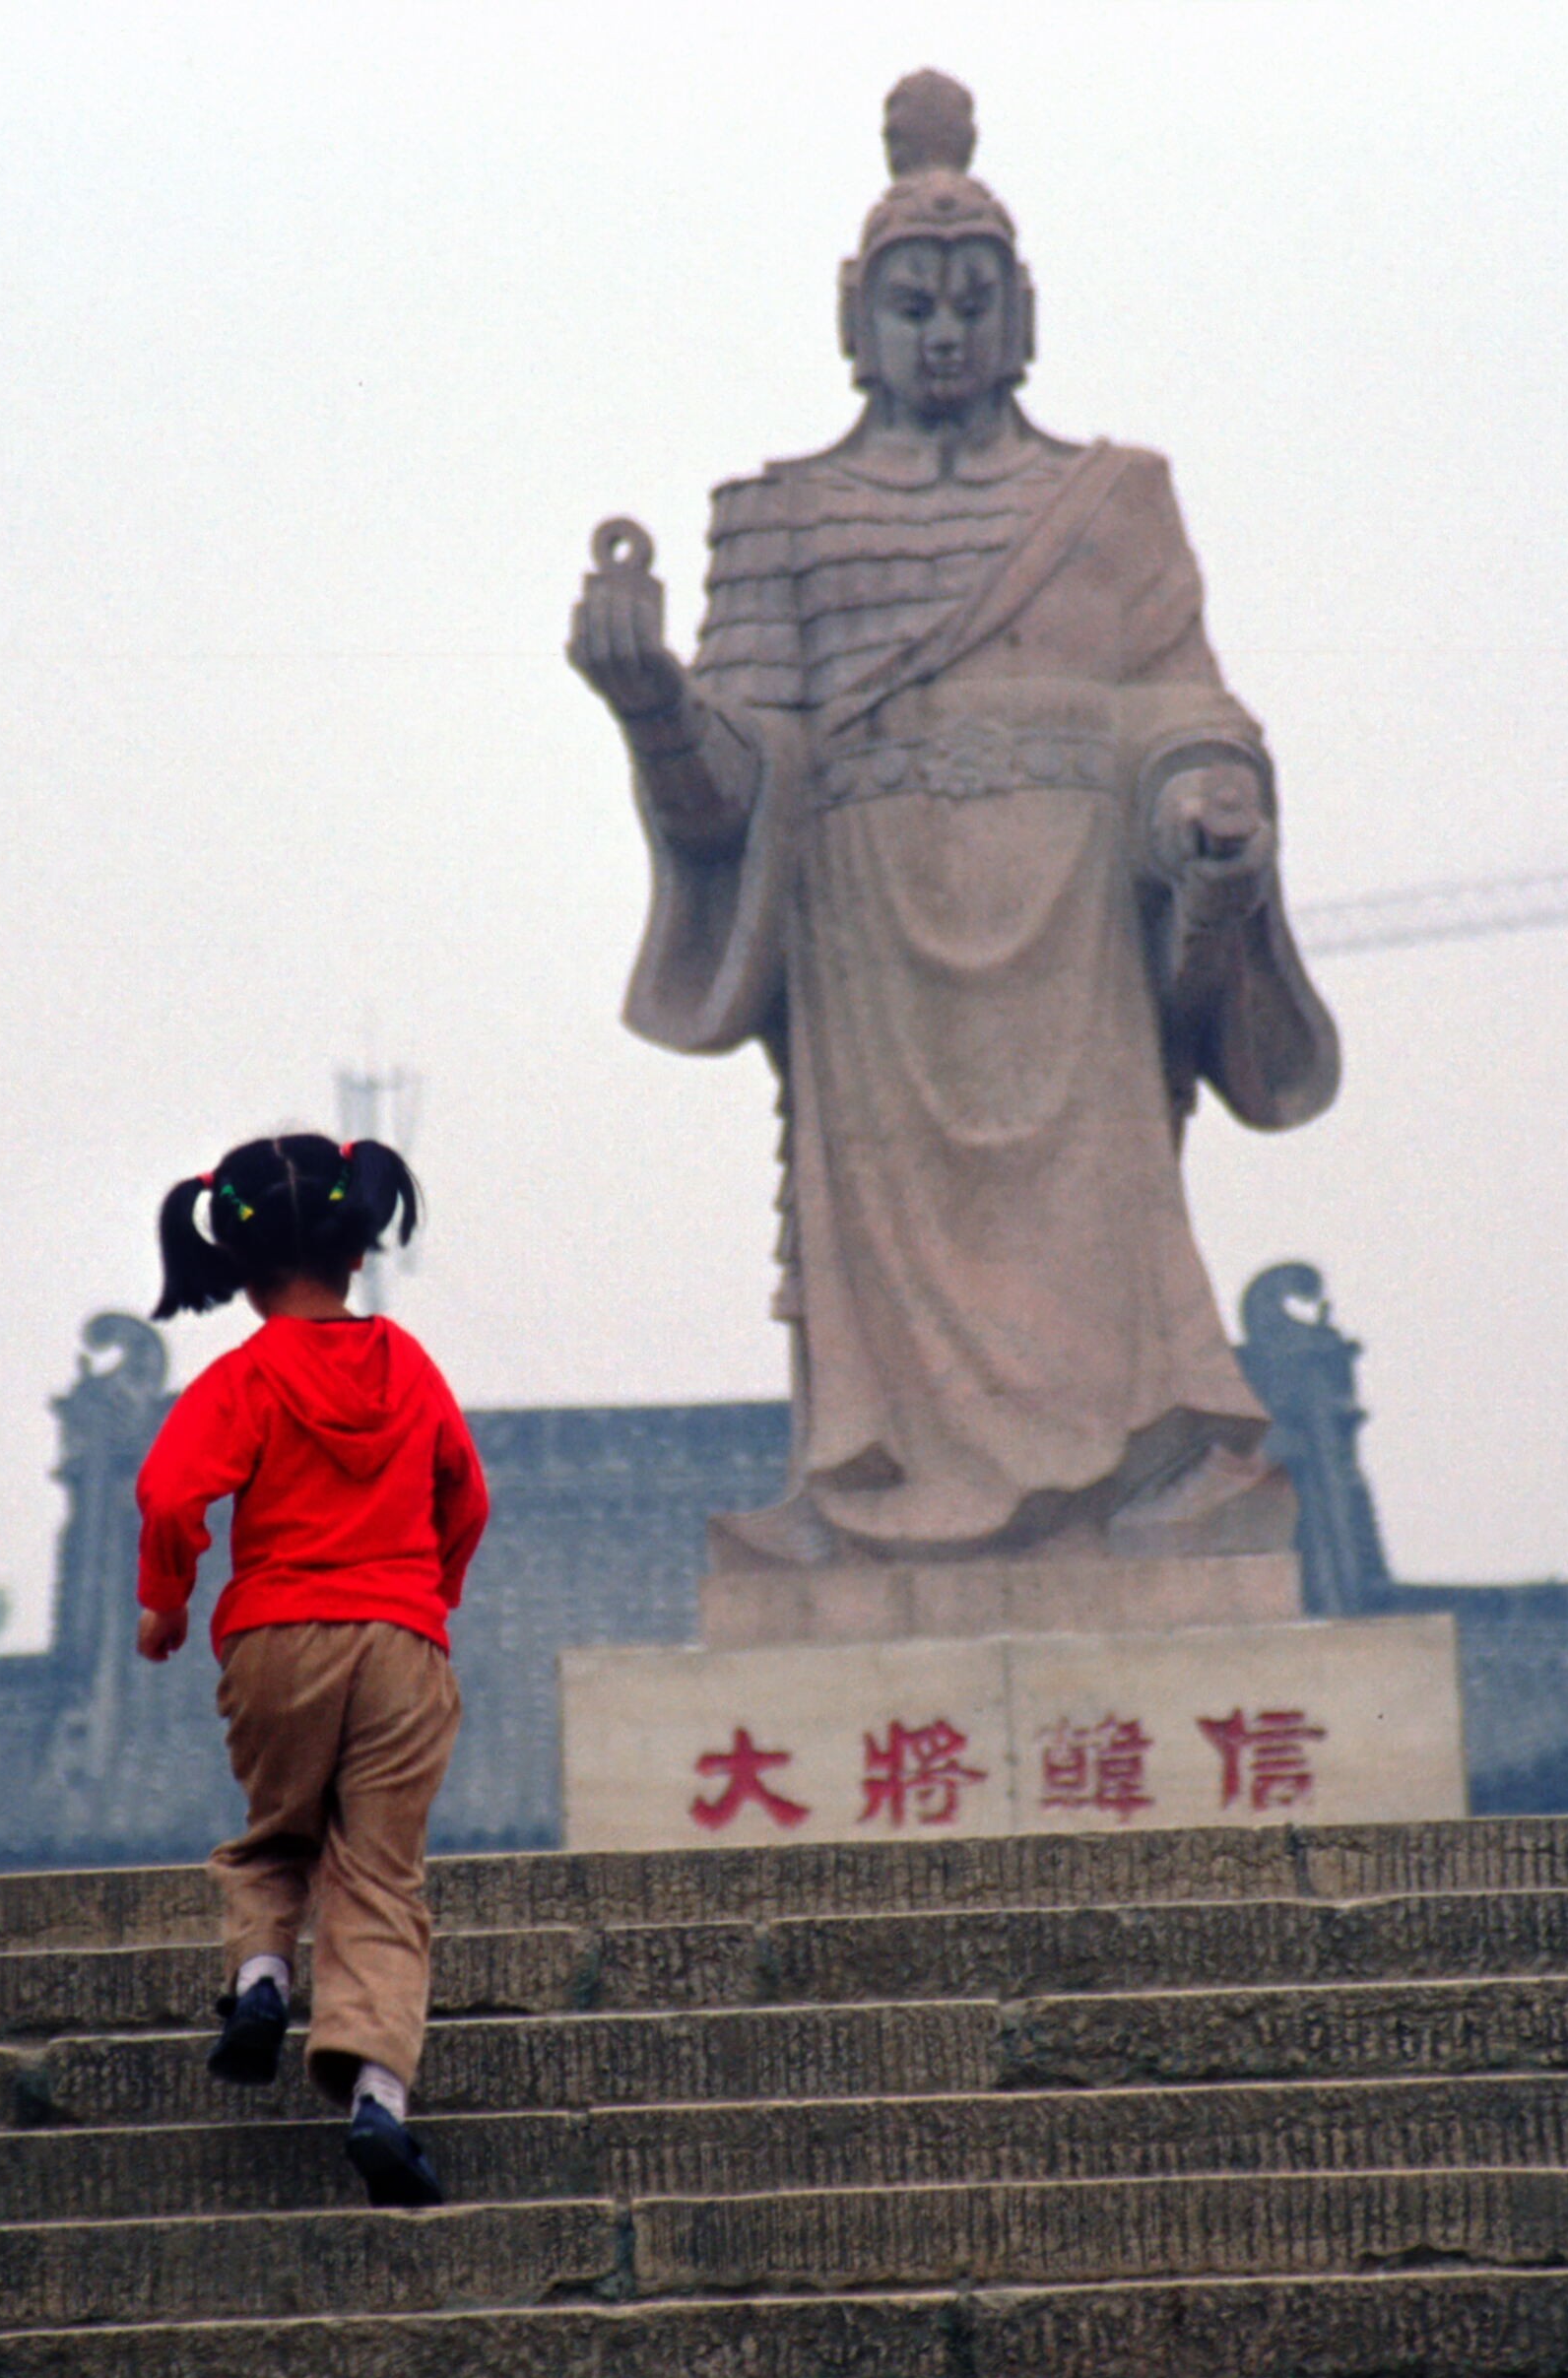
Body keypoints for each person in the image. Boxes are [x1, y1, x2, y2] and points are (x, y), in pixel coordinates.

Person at [567, 70, 1339, 1571]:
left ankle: (1147, 1464)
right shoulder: (777, 517)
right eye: (912, 298)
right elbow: (733, 790)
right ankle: (875, 1487)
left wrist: (1207, 799)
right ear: (854, 313)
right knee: (881, 1251)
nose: (942, 327)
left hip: (1070, 928)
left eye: (971, 296)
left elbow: (1181, 700)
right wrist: (651, 697)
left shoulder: (1114, 500)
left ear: (1022, 310)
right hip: (869, 940)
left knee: (1103, 1204)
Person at [135, 1131, 489, 2207]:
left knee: (279, 1833)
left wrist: (168, 1601)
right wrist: (431, 1599)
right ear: (356, 1251)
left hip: (277, 1637)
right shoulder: (408, 1365)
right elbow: (466, 1498)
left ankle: (259, 1976)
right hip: (401, 1636)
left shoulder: (244, 1377)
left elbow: (166, 1494)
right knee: (379, 1871)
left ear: (237, 1272)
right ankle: (378, 2095)